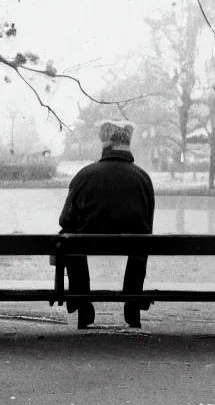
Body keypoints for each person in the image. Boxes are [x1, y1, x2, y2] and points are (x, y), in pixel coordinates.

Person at [59, 119, 155, 329]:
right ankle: (132, 302)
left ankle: (82, 300)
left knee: (68, 236)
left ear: (104, 145)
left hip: (87, 242)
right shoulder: (143, 178)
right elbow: (148, 222)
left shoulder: (84, 176)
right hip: (134, 243)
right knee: (143, 240)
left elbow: (65, 220)